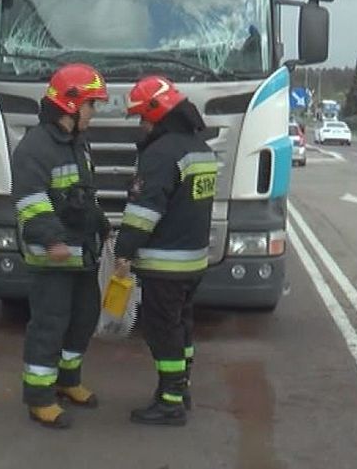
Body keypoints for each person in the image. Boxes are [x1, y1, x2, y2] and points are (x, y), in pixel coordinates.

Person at [113, 76, 216, 426]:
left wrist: (123, 251)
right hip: (194, 261)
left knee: (162, 331)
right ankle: (180, 388)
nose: (141, 126)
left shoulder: (161, 154)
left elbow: (145, 213)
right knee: (182, 328)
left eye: (143, 118)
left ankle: (170, 401)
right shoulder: (201, 148)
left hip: (165, 265)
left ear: (157, 113)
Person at [12, 63, 111, 429]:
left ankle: (68, 382)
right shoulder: (35, 148)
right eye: (92, 105)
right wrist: (53, 239)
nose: (94, 113)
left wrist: (102, 224)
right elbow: (30, 202)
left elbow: (84, 196)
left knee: (82, 320)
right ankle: (39, 397)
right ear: (71, 104)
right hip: (52, 259)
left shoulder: (78, 144)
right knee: (49, 326)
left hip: (81, 255)